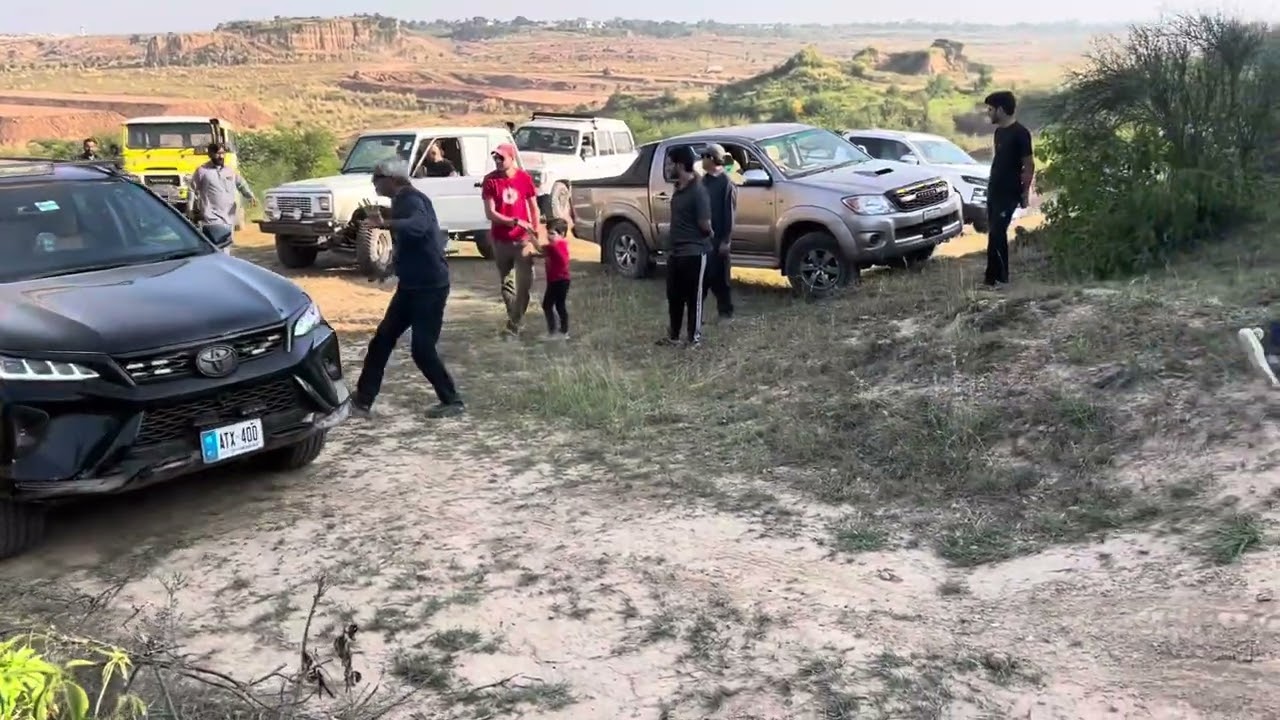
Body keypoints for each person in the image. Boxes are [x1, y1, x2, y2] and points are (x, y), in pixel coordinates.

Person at [351, 158, 465, 419]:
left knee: (422, 349)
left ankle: (452, 401)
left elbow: (420, 226)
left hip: (430, 287)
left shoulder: (412, 199)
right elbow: (416, 241)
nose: (373, 184)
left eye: (376, 178)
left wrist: (385, 224)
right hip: (411, 286)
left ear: (391, 179)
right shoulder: (401, 201)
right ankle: (363, 400)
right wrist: (392, 267)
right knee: (382, 341)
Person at [481, 142, 540, 339]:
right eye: (495, 158)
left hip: (522, 240)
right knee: (507, 283)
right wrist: (514, 221)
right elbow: (490, 213)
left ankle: (514, 321)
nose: (497, 161)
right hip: (501, 240)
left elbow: (533, 206)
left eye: (501, 158)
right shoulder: (490, 181)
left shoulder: (524, 178)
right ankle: (514, 323)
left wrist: (536, 228)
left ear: (511, 158)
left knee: (525, 284)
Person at [658, 145, 712, 348]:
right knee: (674, 297)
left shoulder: (698, 191)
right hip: (676, 252)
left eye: (671, 163)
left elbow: (705, 224)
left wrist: (709, 235)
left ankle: (693, 339)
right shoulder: (679, 188)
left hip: (695, 253)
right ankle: (673, 336)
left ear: (680, 165)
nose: (668, 167)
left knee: (694, 298)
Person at [983, 90, 1035, 289]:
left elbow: (1029, 165)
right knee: (993, 233)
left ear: (1001, 110)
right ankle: (991, 279)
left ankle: (1001, 279)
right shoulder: (999, 132)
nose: (988, 113)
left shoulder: (1021, 133)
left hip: (1009, 192)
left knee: (998, 231)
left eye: (990, 109)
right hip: (994, 190)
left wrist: (1024, 192)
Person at [189, 142, 257, 250]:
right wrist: (190, 209)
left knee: (226, 247)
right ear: (210, 154)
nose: (220, 156)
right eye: (217, 153)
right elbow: (192, 190)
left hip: (229, 217)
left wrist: (250, 196)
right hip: (211, 218)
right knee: (218, 247)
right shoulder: (202, 171)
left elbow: (241, 184)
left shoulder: (229, 171)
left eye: (222, 153)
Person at [700, 143, 737, 322]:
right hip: (705, 239)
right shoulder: (704, 181)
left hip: (719, 239)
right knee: (704, 277)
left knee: (721, 279)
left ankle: (726, 312)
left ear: (713, 158)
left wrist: (726, 240)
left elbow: (729, 213)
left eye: (704, 156)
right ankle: (697, 313)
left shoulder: (726, 183)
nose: (702, 160)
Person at [535, 217, 572, 341]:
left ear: (561, 234)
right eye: (548, 233)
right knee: (556, 305)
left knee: (550, 305)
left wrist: (531, 238)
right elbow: (544, 254)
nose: (549, 236)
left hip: (559, 281)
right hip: (559, 280)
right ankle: (562, 331)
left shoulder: (554, 246)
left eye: (552, 233)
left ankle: (556, 331)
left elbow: (541, 249)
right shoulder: (562, 244)